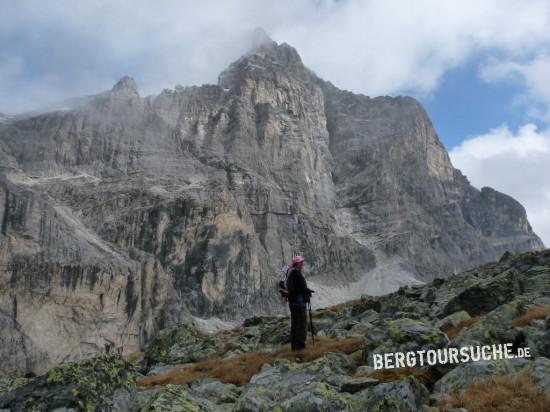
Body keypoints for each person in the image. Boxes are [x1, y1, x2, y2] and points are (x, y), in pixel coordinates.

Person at [286, 255, 313, 351]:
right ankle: (300, 347)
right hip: (299, 303)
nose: (303, 264)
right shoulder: (296, 274)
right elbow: (300, 289)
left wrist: (306, 290)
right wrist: (306, 292)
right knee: (301, 324)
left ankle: (294, 347)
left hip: (293, 303)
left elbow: (295, 288)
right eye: (301, 262)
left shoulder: (290, 273)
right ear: (297, 264)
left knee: (295, 324)